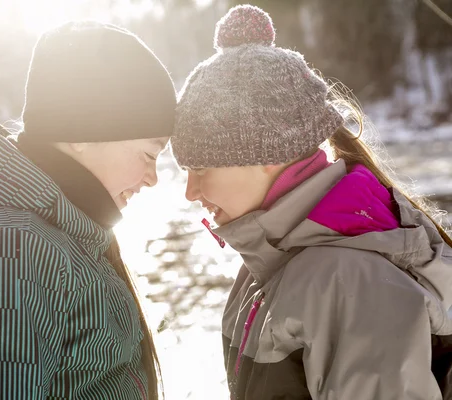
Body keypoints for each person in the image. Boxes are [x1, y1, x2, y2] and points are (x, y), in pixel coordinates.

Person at [171, 5, 452, 400]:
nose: (190, 191)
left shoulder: (350, 283)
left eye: (201, 167)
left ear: (267, 153)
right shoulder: (267, 260)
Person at [0, 21, 175, 399]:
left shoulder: (56, 239)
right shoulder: (5, 253)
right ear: (84, 131)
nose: (152, 178)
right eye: (149, 154)